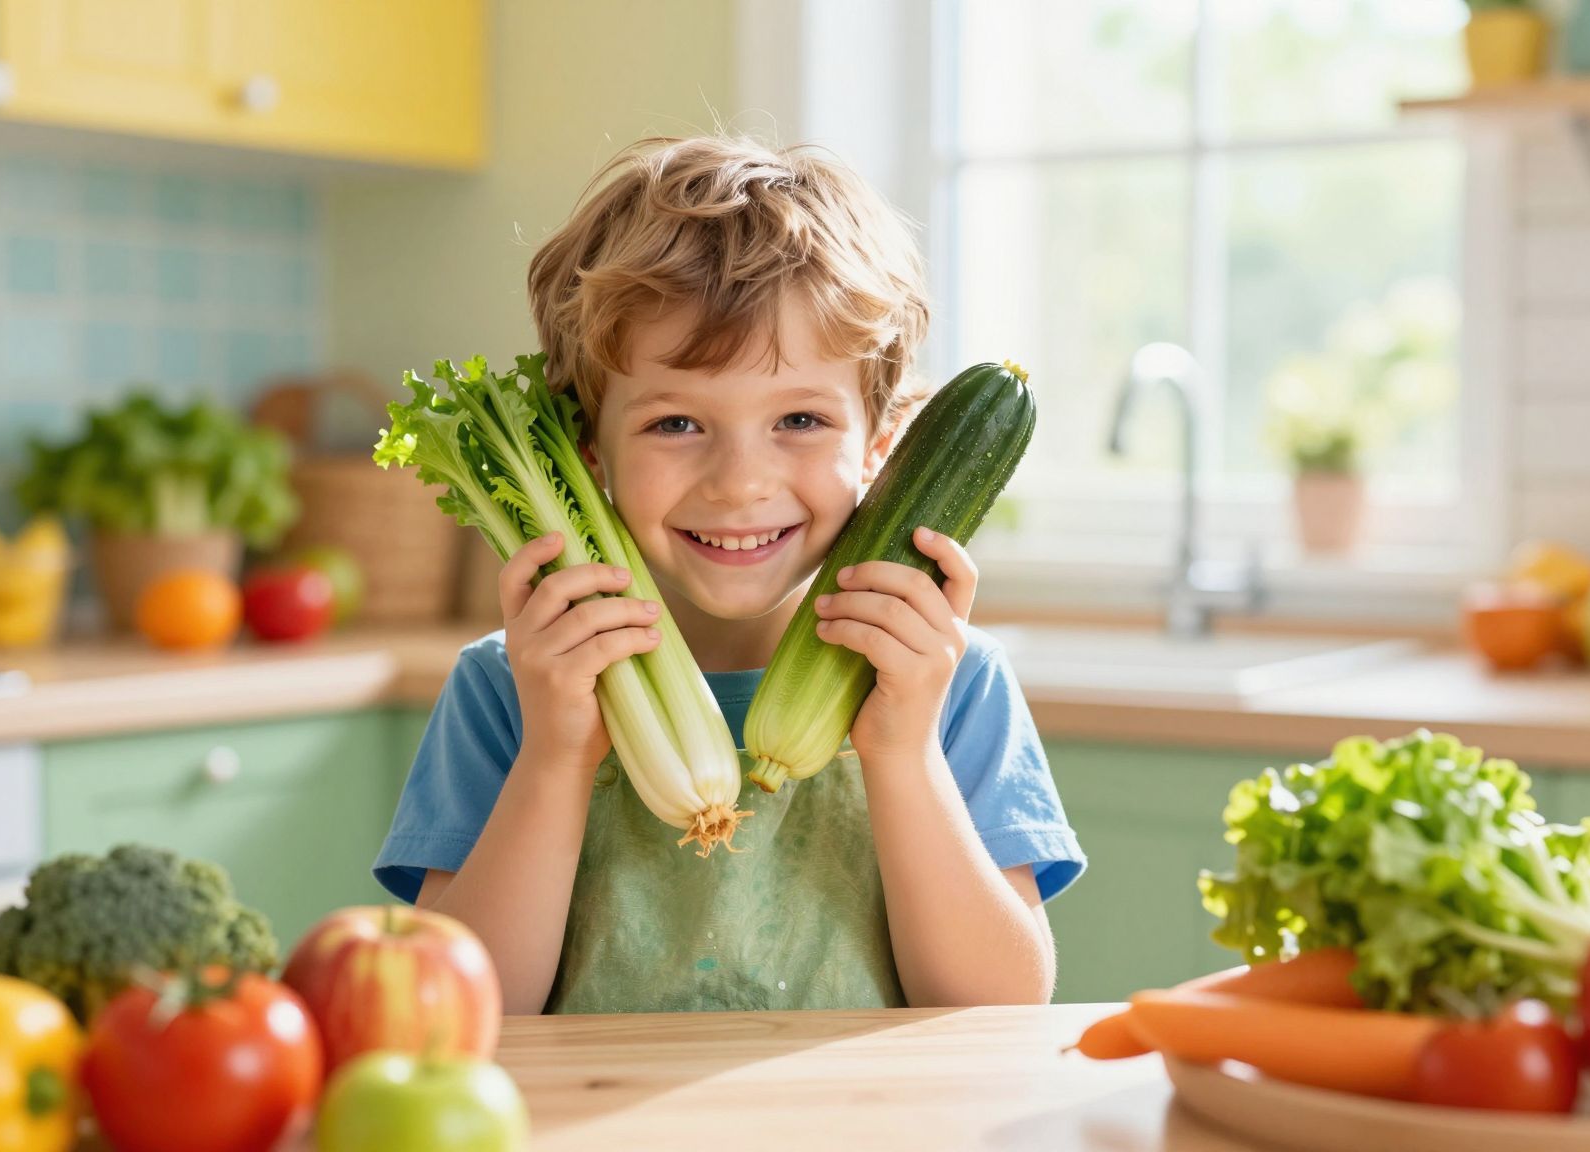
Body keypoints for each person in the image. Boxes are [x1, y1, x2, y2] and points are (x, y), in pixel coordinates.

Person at [374, 134, 1084, 1014]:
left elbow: (999, 1008)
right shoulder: (509, 685)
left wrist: (901, 752)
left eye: (799, 418)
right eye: (675, 425)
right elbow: (466, 1008)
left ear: (881, 449)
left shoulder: (953, 683)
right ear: (590, 452)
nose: (741, 481)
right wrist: (556, 755)